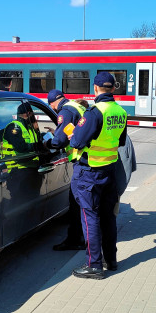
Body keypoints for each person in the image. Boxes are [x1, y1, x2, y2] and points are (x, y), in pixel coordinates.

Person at [68, 72, 128, 279]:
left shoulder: (94, 112)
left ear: (95, 88)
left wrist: (73, 134)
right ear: (112, 89)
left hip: (90, 172)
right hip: (109, 170)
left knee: (89, 217)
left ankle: (93, 265)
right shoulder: (120, 111)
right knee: (108, 216)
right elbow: (120, 142)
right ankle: (110, 260)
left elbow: (76, 143)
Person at [45, 89, 87, 251]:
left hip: (82, 161)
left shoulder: (65, 111)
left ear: (52, 103)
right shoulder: (76, 106)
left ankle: (76, 239)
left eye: (52, 107)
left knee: (76, 201)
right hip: (88, 159)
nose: (54, 110)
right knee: (80, 201)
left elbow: (60, 140)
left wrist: (48, 144)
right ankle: (79, 237)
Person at [0, 103, 40, 171]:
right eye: (33, 115)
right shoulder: (14, 127)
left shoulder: (29, 128)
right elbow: (20, 147)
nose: (34, 118)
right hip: (17, 169)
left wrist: (37, 131)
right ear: (28, 113)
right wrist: (40, 146)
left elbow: (35, 141)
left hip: (31, 167)